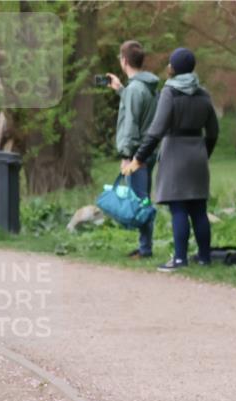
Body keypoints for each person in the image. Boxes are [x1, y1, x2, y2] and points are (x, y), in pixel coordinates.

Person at [123, 47, 219, 272]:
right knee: (199, 209)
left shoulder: (170, 92)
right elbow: (213, 131)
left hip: (175, 153)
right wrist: (204, 153)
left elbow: (156, 130)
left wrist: (138, 158)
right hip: (197, 155)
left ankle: (179, 259)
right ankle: (204, 258)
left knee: (178, 208)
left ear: (174, 68)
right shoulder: (203, 94)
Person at [107, 40, 159, 259]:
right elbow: (139, 106)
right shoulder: (147, 86)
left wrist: (127, 156)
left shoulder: (135, 89)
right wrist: (121, 90)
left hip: (137, 155)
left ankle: (145, 249)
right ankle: (144, 245)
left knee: (140, 202)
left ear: (124, 61)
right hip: (149, 152)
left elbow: (131, 125)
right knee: (143, 199)